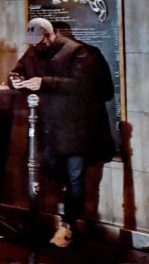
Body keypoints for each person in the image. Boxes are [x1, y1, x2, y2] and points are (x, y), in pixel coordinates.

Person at [9, 17, 114, 248]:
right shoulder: (33, 52)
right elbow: (16, 71)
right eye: (32, 42)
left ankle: (68, 225)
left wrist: (44, 83)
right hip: (51, 126)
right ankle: (63, 208)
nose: (36, 46)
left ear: (51, 34)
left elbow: (86, 86)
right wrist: (14, 80)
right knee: (50, 167)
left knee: (75, 175)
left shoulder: (79, 52)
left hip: (77, 126)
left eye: (40, 41)